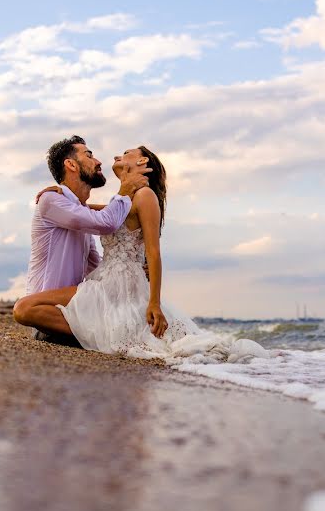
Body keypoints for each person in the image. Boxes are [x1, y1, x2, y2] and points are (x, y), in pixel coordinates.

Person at [15, 146, 268, 364]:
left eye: (126, 153)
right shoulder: (123, 200)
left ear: (142, 162)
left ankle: (105, 334)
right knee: (30, 309)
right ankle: (103, 334)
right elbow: (97, 213)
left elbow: (153, 253)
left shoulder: (145, 196)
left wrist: (154, 303)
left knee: (26, 309)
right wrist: (58, 193)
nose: (114, 156)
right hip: (105, 281)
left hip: (122, 283)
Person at [13, 135, 150, 346]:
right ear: (71, 165)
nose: (98, 162)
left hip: (77, 307)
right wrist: (125, 189)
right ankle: (109, 335)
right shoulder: (51, 201)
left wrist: (132, 269)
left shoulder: (78, 210)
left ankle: (114, 331)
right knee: (23, 309)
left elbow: (95, 266)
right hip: (48, 314)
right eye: (89, 155)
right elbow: (106, 223)